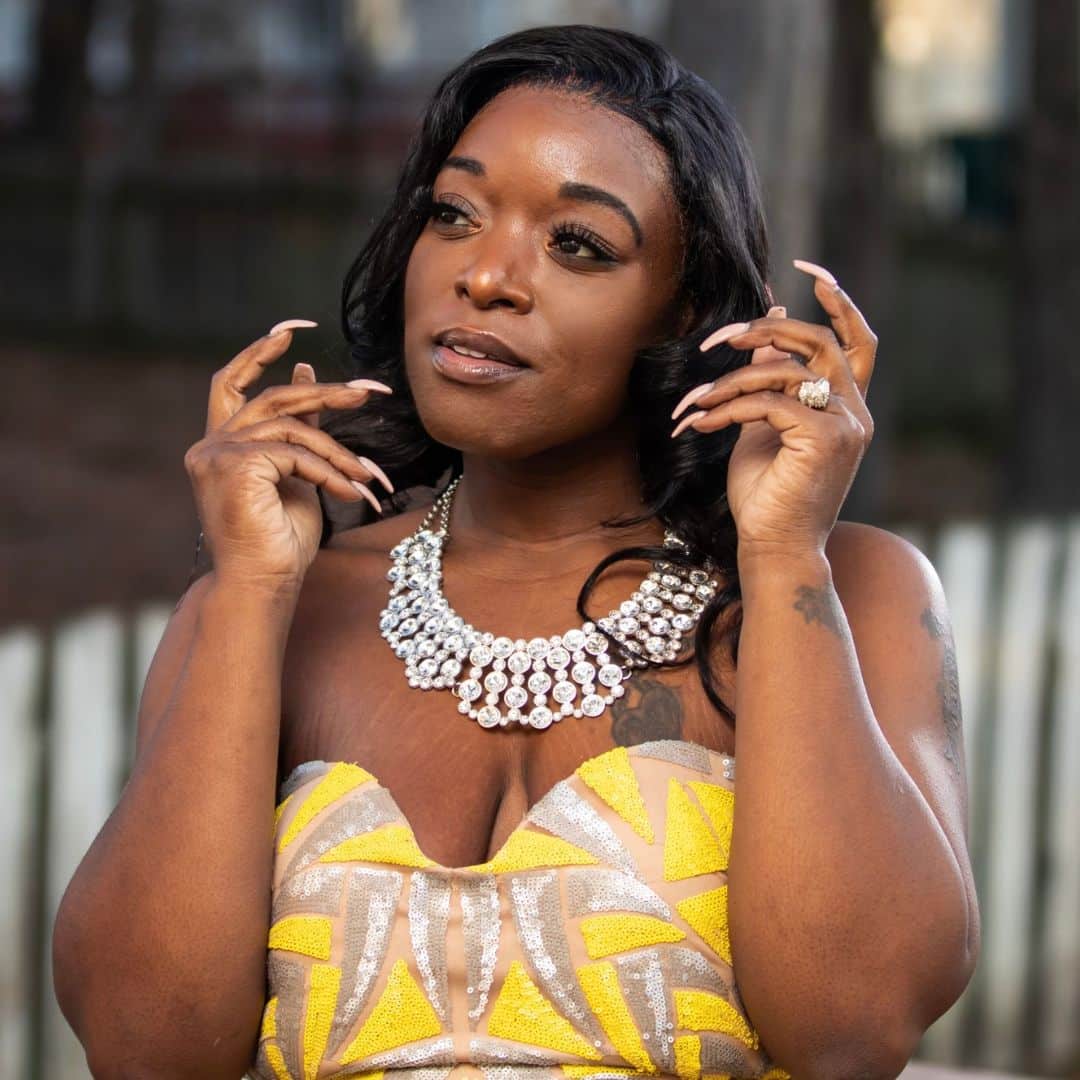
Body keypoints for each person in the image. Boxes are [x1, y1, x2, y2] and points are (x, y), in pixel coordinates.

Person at [52, 24, 979, 1080]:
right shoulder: (278, 604)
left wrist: (782, 561)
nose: (485, 275)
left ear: (682, 310)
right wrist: (252, 591)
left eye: (577, 243)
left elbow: (849, 1029)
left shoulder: (853, 588)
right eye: (454, 214)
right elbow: (142, 1052)